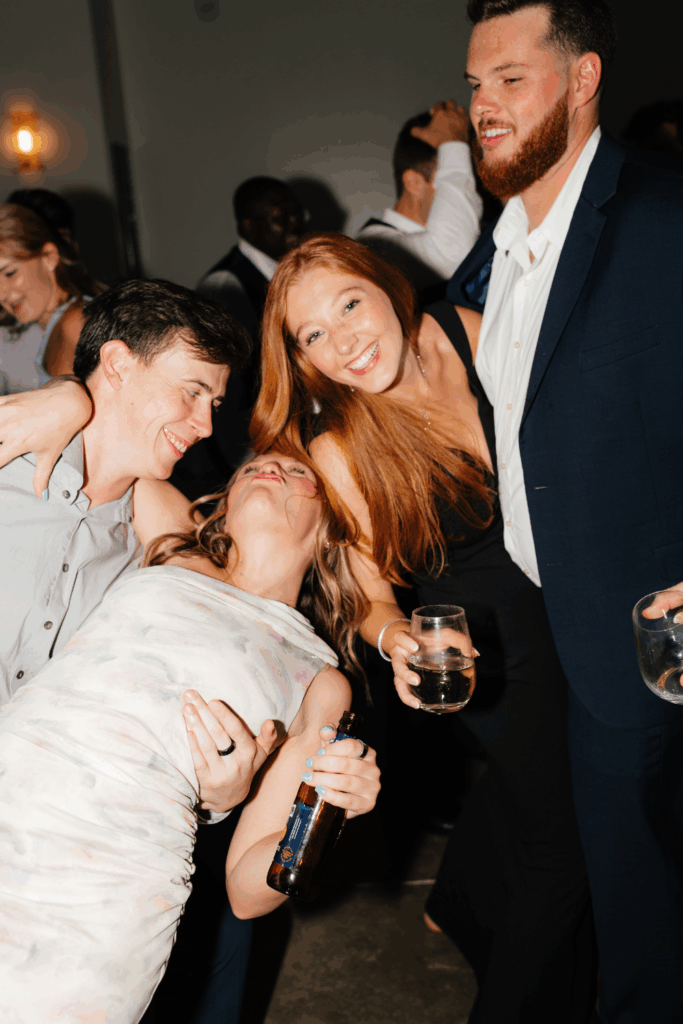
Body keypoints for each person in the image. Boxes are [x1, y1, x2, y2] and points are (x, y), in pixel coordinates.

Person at [247, 232, 594, 1023]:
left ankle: (457, 901)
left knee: (530, 788)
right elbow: (368, 597)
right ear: (301, 359)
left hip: (571, 597)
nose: (344, 342)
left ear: (388, 287)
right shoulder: (341, 444)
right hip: (489, 651)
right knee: (564, 841)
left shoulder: (459, 329)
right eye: (314, 334)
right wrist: (397, 638)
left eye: (349, 305)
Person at [442, 2, 683, 1021]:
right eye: (473, 85)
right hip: (555, 631)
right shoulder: (502, 245)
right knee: (607, 892)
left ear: (582, 79)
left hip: (653, 640)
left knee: (648, 914)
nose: (482, 107)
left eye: (510, 79)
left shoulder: (659, 214)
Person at [0, 448, 381, 1023]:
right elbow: (112, 435)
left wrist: (330, 812)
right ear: (223, 506)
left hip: (109, 880)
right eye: (251, 466)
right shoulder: (178, 551)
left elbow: (248, 893)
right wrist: (64, 403)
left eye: (299, 472)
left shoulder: (319, 678)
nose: (270, 468)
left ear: (331, 527)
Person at [0, 277, 263, 1024]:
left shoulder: (145, 567)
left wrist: (219, 792)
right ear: (116, 365)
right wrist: (64, 395)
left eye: (215, 403)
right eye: (191, 392)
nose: (205, 425)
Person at [178, 178, 306, 500]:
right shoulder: (225, 285)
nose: (295, 223)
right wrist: (248, 463)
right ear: (249, 226)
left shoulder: (287, 273)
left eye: (297, 213)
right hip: (253, 454)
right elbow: (226, 393)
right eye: (280, 217)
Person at [356, 101, 482, 303]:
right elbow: (452, 252)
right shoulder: (373, 248)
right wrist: (453, 144)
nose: (471, 195)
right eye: (449, 178)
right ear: (414, 182)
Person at [0, 202, 102, 392]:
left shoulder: (75, 324)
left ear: (49, 257)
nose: (1, 294)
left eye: (9, 273)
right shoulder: (53, 326)